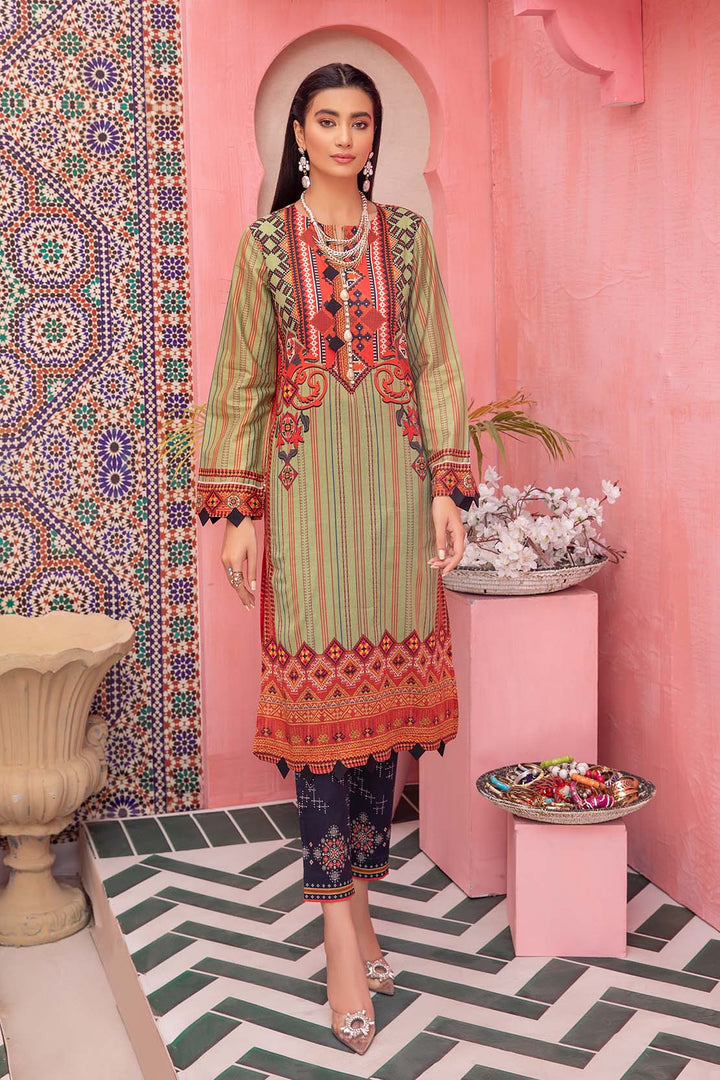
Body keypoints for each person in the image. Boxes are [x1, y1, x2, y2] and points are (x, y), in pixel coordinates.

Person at [196, 62, 478, 1054]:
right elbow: (241, 382)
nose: (347, 137)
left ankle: (360, 903)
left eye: (362, 121)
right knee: (322, 720)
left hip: (395, 502)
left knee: (382, 716)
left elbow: (436, 364)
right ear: (300, 135)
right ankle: (336, 939)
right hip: (308, 503)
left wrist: (447, 488)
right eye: (329, 121)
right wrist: (239, 513)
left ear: (375, 135)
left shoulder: (408, 239)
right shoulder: (266, 248)